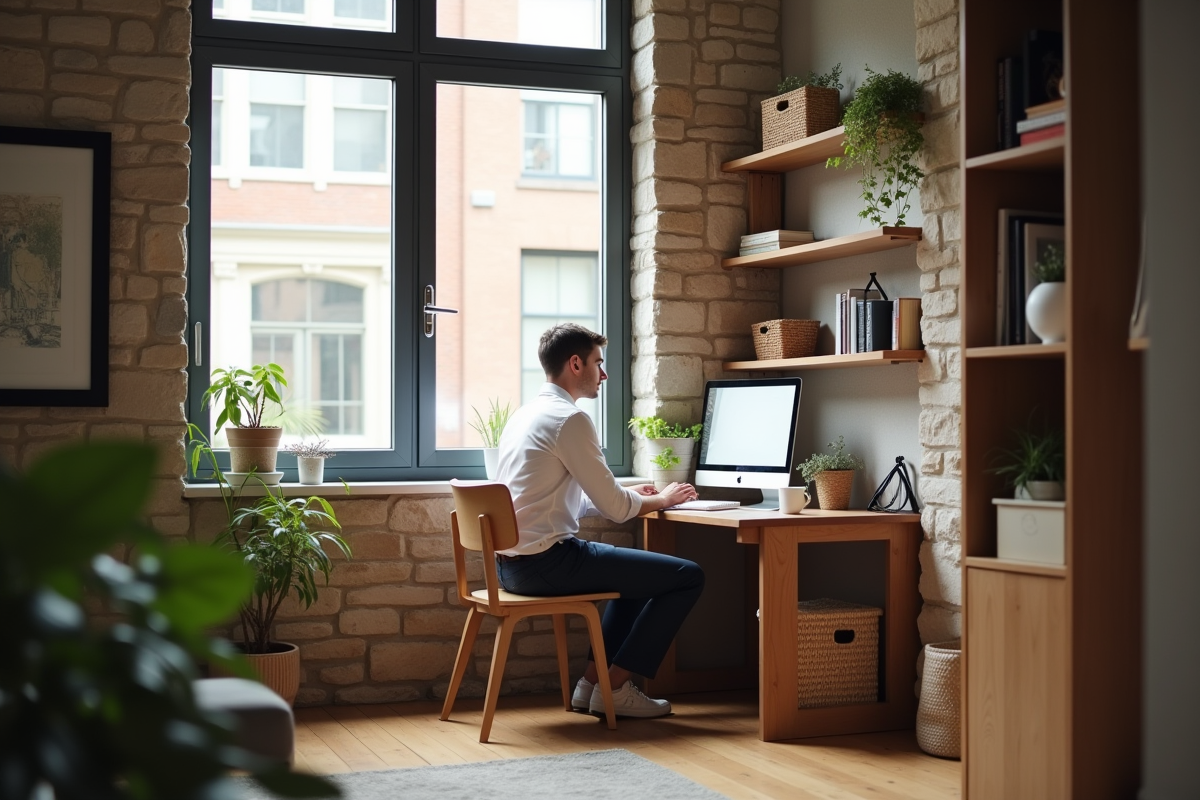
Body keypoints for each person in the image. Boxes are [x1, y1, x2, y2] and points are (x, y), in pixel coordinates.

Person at [494, 323, 704, 719]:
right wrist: (663, 499)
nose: (603, 374)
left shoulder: (525, 415)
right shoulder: (569, 419)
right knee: (687, 576)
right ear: (575, 364)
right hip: (547, 563)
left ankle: (591, 686)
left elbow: (556, 501)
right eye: (598, 363)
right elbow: (617, 509)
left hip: (510, 569)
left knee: (639, 577)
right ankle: (617, 685)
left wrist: (629, 494)